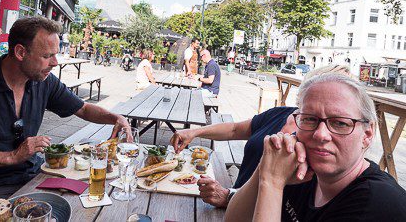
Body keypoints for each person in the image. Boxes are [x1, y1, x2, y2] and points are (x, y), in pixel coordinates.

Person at [0, 16, 130, 220]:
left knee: (86, 199)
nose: (55, 62)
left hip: (30, 174)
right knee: (34, 214)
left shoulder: (43, 81)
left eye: (55, 54)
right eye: (47, 56)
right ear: (20, 52)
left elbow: (83, 109)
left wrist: (116, 118)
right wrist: (12, 156)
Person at [225, 74, 406, 221]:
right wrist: (266, 169)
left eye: (340, 123)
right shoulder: (300, 169)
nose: (320, 134)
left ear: (367, 134)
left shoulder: (377, 204)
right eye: (310, 119)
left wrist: (272, 183)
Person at [170, 64, 351, 208]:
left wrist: (228, 197)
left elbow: (287, 199)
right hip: (231, 200)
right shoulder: (281, 113)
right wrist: (194, 132)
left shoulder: (317, 142)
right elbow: (234, 129)